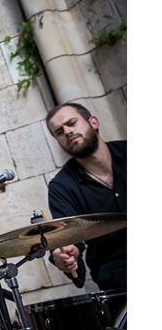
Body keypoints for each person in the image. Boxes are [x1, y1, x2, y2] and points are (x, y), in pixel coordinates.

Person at [45, 102, 126, 291]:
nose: (66, 131)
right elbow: (67, 238)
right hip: (119, 272)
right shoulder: (62, 187)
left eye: (71, 123)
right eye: (59, 132)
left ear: (94, 122)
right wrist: (66, 256)